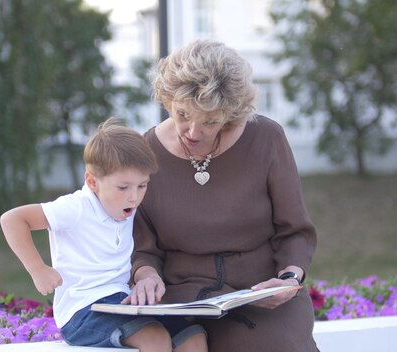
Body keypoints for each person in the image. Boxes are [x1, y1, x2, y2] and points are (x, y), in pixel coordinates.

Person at [124, 40, 320, 351]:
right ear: (167, 102)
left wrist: (289, 279)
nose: (192, 131)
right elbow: (143, 247)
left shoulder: (267, 139)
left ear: (231, 114)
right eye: (183, 114)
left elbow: (294, 231)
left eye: (210, 121)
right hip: (182, 302)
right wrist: (146, 276)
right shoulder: (146, 153)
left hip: (260, 296)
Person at [0, 118, 208, 352]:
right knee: (155, 339)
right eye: (124, 187)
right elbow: (12, 219)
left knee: (193, 336)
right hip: (82, 312)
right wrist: (38, 269)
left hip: (121, 302)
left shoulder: (126, 206)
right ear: (92, 181)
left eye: (142, 185)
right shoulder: (76, 207)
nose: (134, 197)